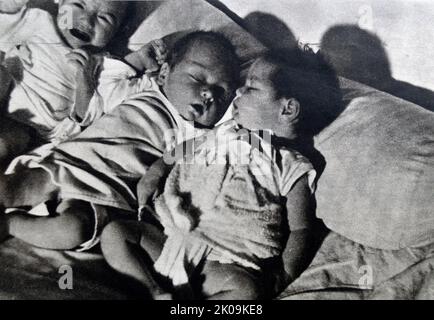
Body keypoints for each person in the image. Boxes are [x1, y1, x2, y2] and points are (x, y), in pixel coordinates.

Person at [99, 49, 340, 299]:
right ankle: (154, 291)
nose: (238, 92)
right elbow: (179, 152)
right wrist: (156, 172)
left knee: (247, 292)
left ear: (287, 109)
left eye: (251, 88)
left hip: (223, 258)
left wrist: (286, 273)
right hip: (170, 236)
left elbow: (301, 228)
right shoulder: (223, 132)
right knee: (116, 233)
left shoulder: (290, 165)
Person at [0, 31, 241, 252]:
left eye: (221, 91)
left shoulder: (199, 137)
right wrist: (137, 59)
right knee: (9, 189)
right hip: (71, 162)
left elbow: (232, 136)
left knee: (73, 230)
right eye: (198, 78)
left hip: (107, 193)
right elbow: (106, 86)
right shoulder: (143, 91)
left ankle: (9, 224)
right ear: (165, 73)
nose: (209, 94)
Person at [0, 0, 136, 166]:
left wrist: (85, 84)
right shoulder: (39, 22)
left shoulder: (102, 65)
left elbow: (86, 117)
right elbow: (5, 21)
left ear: (118, 31)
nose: (86, 21)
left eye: (104, 18)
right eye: (78, 5)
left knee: (6, 143)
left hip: (37, 133)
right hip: (5, 97)